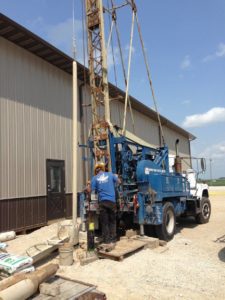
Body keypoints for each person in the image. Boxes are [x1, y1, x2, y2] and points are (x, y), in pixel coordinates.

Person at [91, 162, 120, 246]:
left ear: (96, 171)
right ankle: (113, 240)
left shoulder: (95, 178)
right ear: (103, 169)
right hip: (111, 201)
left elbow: (93, 192)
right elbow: (119, 181)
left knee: (104, 222)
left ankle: (106, 240)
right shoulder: (110, 174)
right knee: (112, 221)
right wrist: (116, 178)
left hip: (102, 202)